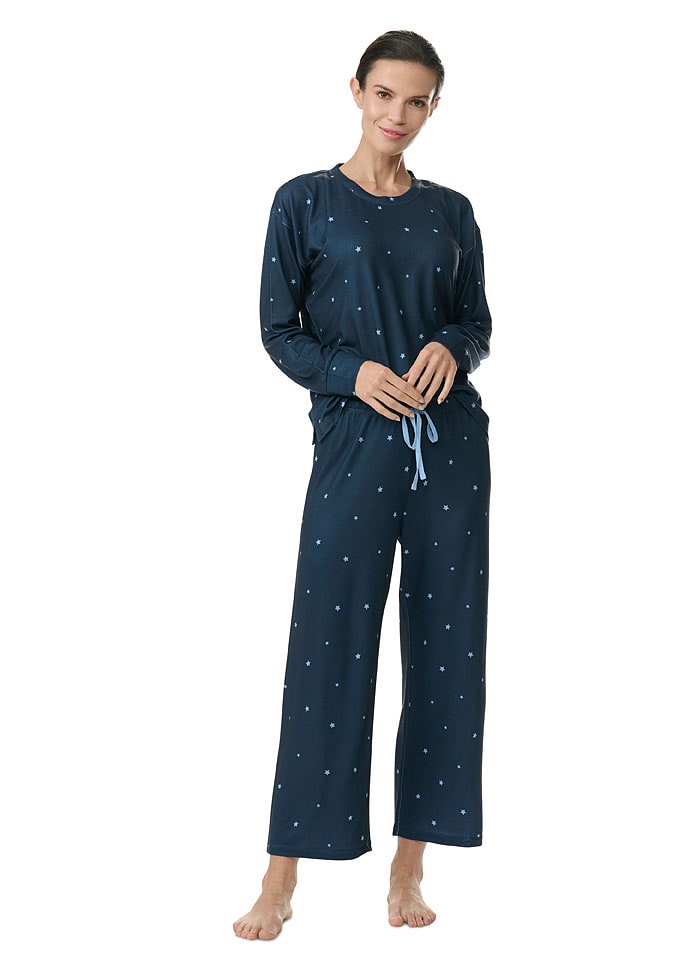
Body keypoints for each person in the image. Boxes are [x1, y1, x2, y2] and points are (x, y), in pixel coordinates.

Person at [233, 29, 492, 940]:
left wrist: (450, 346)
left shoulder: (452, 210)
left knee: (448, 646)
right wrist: (351, 372)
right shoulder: (303, 201)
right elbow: (279, 331)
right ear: (356, 91)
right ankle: (281, 875)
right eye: (385, 95)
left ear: (434, 106)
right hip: (352, 444)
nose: (398, 115)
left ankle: (410, 865)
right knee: (326, 645)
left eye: (417, 101)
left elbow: (478, 320)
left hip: (448, 447)